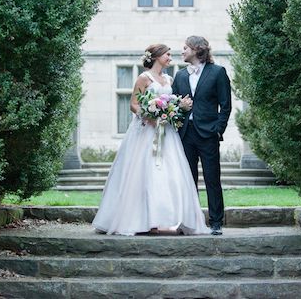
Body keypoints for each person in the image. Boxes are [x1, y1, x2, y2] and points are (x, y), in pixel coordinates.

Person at [92, 44, 211, 236]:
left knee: (168, 175)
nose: (171, 58)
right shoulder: (143, 78)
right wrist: (149, 116)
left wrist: (178, 107)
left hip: (167, 133)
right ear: (156, 57)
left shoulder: (169, 78)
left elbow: (171, 102)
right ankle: (143, 221)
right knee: (143, 174)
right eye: (167, 54)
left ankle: (166, 219)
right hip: (146, 132)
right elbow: (133, 104)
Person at [171, 36, 232, 235]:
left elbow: (226, 105)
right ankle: (191, 221)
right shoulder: (180, 76)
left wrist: (218, 129)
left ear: (197, 50)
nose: (182, 52)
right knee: (188, 180)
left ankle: (216, 222)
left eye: (185, 48)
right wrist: (179, 109)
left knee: (212, 179)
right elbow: (173, 105)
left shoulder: (217, 72)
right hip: (186, 135)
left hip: (208, 134)